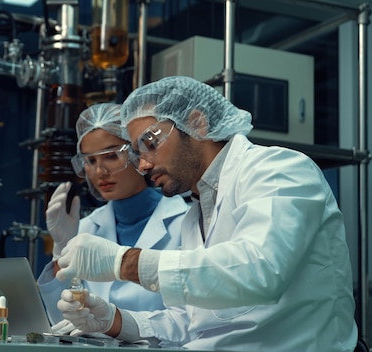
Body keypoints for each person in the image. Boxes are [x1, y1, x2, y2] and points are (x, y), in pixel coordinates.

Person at [54, 76, 358, 351]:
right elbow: (191, 323)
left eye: (150, 143)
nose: (143, 166)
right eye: (137, 153)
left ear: (197, 124)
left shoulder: (278, 169)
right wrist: (113, 320)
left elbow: (260, 270)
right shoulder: (196, 215)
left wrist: (125, 262)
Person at [38, 102, 189, 336]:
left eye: (110, 156)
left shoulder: (185, 223)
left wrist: (117, 324)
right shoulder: (85, 229)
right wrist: (60, 252)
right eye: (90, 161)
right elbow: (62, 323)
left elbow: (191, 321)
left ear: (137, 153)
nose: (100, 172)